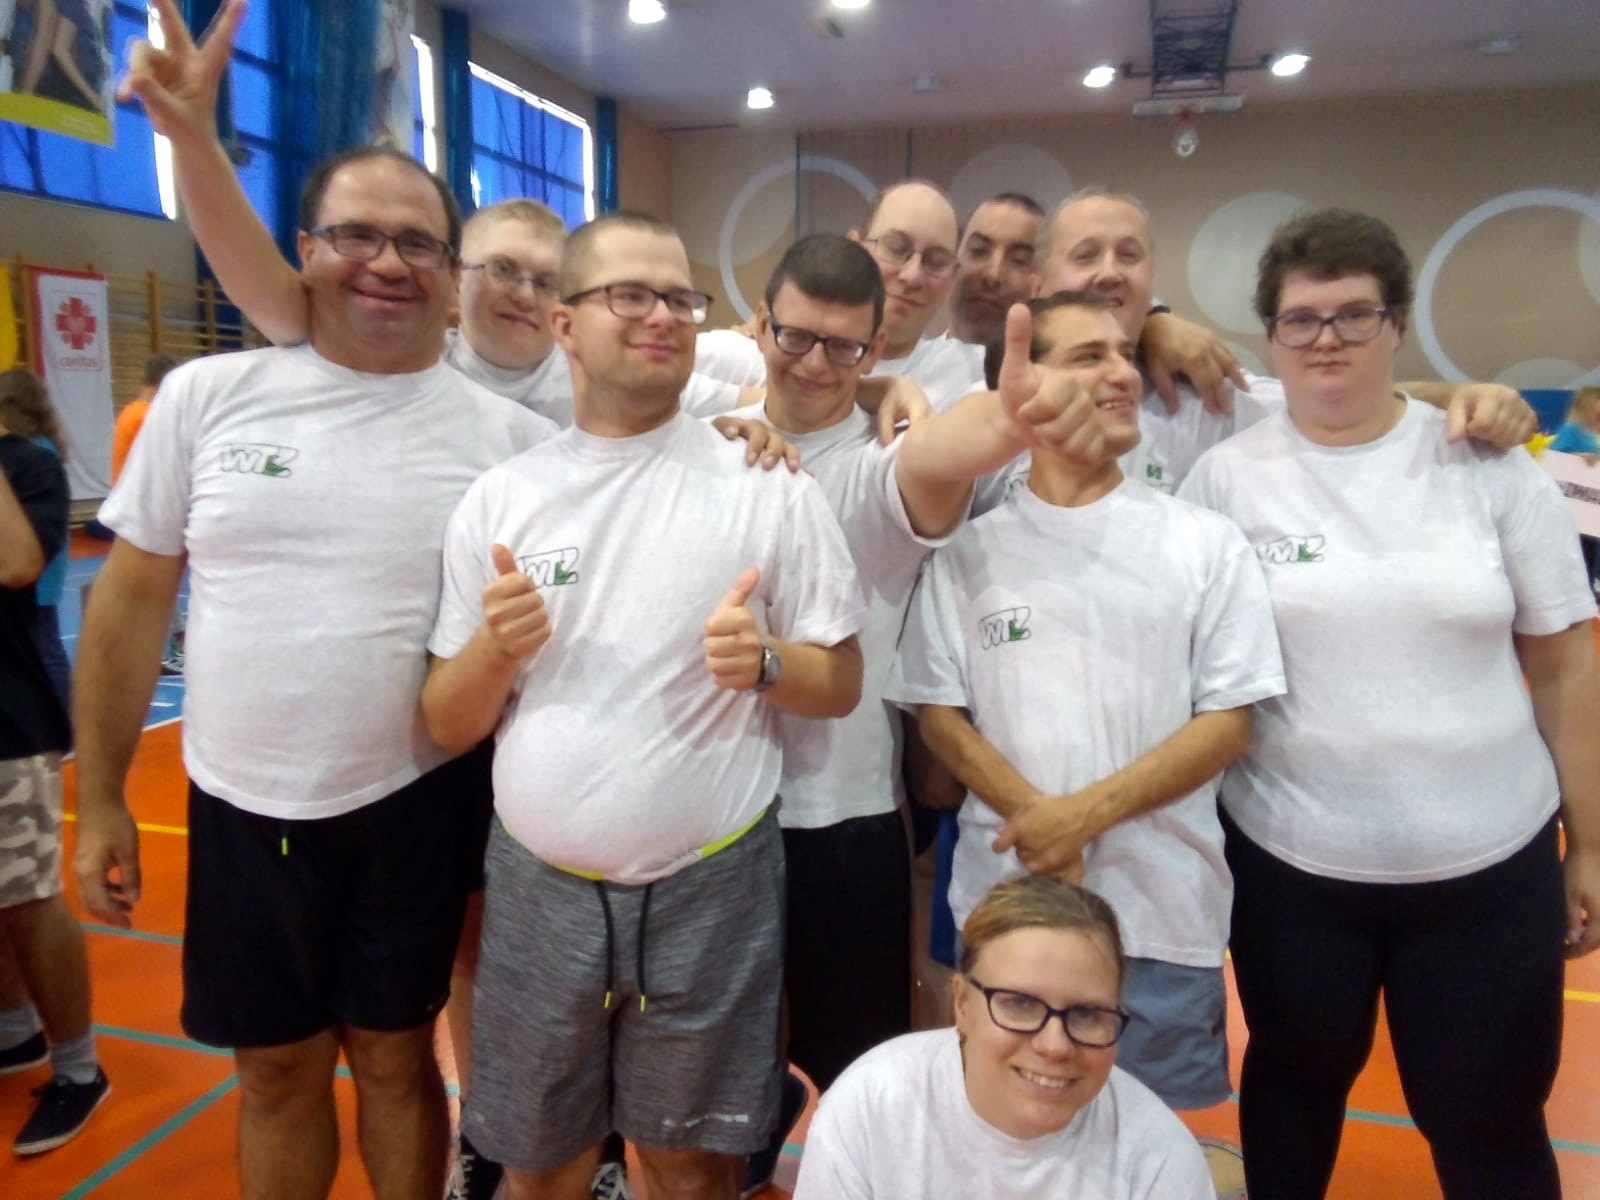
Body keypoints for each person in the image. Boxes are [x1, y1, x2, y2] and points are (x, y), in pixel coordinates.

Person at [72, 136, 558, 1200]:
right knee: (275, 1069)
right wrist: (100, 796)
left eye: (417, 243)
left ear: (451, 274)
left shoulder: (514, 444)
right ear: (304, 249)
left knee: (394, 1054)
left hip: (419, 799)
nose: (386, 262)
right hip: (241, 804)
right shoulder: (205, 398)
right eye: (356, 235)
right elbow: (130, 604)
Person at [421, 210, 867, 1200]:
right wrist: (495, 650)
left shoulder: (765, 481)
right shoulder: (503, 498)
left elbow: (840, 681)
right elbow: (449, 722)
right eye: (629, 294)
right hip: (539, 884)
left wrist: (765, 664)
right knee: (540, 1165)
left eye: (677, 296)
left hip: (712, 881)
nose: (661, 315)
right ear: (566, 324)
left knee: (689, 1168)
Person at [1178, 207, 1600, 1198]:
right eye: (1301, 318)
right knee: (1293, 1095)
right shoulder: (1224, 484)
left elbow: (1563, 668)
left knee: (1489, 1122)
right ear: (1271, 335)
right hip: (1292, 871)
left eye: (1353, 315)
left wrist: (1591, 844)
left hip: (1488, 871)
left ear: (1396, 323)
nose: (1326, 338)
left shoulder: (1487, 464)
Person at [722, 235, 1103, 1195]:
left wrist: (1006, 421)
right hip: (708, 815)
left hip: (840, 818)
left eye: (845, 348)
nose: (816, 364)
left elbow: (943, 449)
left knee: (859, 1069)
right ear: (759, 325)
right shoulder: (707, 430)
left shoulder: (879, 466)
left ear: (876, 347)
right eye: (796, 337)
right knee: (716, 1073)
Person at [889, 292, 1284, 1125]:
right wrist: (1039, 817)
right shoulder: (967, 553)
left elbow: (1228, 720)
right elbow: (941, 717)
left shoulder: (1203, 542)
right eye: (1087, 357)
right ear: (1020, 383)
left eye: (1124, 356)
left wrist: (1077, 818)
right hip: (1007, 920)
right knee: (1002, 1150)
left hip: (1160, 921)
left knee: (1150, 1151)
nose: (1120, 375)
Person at [794, 875, 1213, 1198]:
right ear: (962, 1003)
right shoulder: (869, 1109)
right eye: (1020, 1004)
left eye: (1087, 1014)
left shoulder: (1158, 1158)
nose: (1054, 1045)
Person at [0, 411, 108, 1155]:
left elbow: (17, 564)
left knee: (29, 898)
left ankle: (79, 1068)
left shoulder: (26, 465)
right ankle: (14, 1032)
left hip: (9, 721)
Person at [0, 367, 71, 710]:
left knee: (47, 647)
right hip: (45, 558)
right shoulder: (44, 445)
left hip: (39, 559)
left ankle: (63, 712)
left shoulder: (34, 454)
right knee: (47, 643)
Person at [1549, 386, 1600, 589]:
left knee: (1591, 548)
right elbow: (1553, 458)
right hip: (1578, 504)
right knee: (1581, 548)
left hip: (1593, 505)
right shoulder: (1573, 429)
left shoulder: (1594, 431)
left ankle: (1589, 585)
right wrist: (1578, 456)